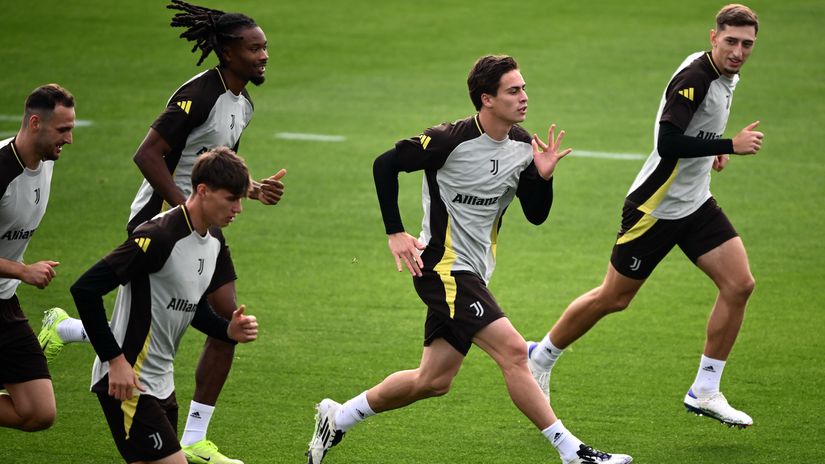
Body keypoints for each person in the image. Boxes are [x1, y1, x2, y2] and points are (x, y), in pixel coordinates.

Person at [306, 55, 632, 464]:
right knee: (515, 352)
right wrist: (395, 231)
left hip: (476, 272)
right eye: (513, 91)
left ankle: (339, 417)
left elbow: (536, 214)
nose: (524, 97)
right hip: (442, 267)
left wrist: (543, 176)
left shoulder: (521, 146)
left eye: (524, 88)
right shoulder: (447, 141)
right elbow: (385, 164)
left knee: (433, 379)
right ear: (487, 100)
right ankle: (573, 452)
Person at [38, 2, 284, 462]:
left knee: (223, 323)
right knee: (153, 315)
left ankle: (193, 438)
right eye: (254, 48)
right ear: (228, 53)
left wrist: (250, 189)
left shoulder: (244, 104)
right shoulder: (198, 94)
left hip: (200, 221)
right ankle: (92, 348)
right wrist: (183, 215)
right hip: (162, 220)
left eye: (265, 47)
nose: (264, 55)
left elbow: (216, 168)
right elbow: (147, 155)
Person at [527, 4, 762, 429]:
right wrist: (729, 143)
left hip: (695, 203)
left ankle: (705, 390)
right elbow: (668, 141)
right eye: (731, 41)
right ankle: (540, 358)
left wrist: (712, 151)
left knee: (739, 284)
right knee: (613, 298)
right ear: (714, 37)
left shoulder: (724, 73)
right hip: (655, 209)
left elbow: (691, 132)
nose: (739, 51)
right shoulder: (696, 78)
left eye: (747, 44)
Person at [71, 147, 259, 464]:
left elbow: (192, 306)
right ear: (203, 190)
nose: (238, 208)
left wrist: (227, 329)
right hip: (129, 383)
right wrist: (114, 360)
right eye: (231, 199)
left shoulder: (212, 241)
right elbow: (85, 289)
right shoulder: (157, 236)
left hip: (162, 384)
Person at [0, 84, 75, 432]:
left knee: (38, 412)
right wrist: (22, 270)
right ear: (34, 124)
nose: (69, 139)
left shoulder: (45, 162)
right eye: (62, 130)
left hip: (4, 301)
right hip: (10, 283)